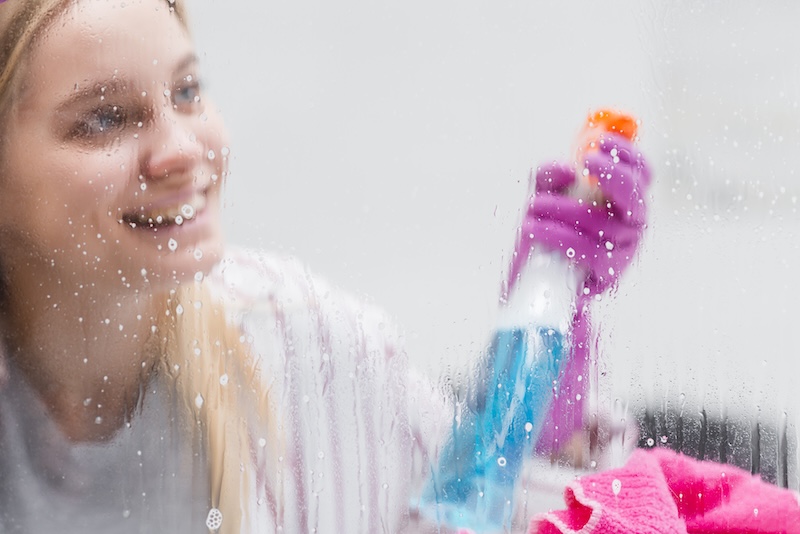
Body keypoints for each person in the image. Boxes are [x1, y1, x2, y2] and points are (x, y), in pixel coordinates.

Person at [0, 0, 650, 532]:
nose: (180, 150)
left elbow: (481, 507)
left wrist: (547, 371)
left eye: (187, 91)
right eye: (107, 118)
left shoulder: (304, 346)